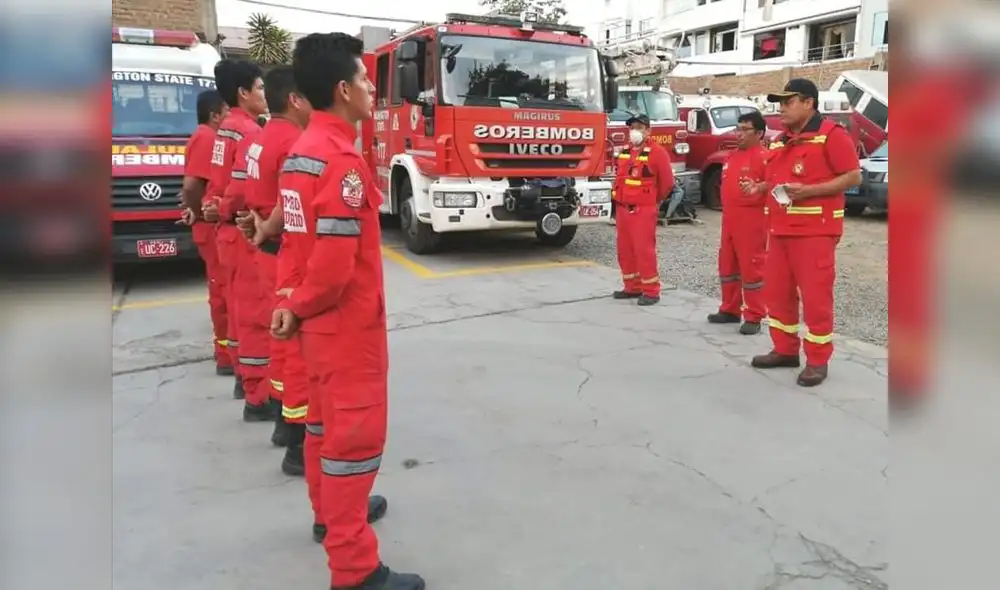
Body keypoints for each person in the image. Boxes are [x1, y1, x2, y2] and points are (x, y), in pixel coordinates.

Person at [269, 33, 421, 590]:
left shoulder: (299, 154)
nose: (369, 92)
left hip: (314, 329)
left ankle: (329, 516)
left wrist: (289, 304)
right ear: (342, 89)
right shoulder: (342, 162)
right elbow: (332, 269)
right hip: (345, 329)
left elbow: (292, 245)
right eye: (363, 81)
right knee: (353, 445)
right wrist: (304, 302)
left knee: (321, 428)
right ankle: (355, 569)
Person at [750, 79, 861, 387]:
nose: (781, 108)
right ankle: (785, 350)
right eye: (780, 103)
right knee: (777, 294)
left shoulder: (830, 137)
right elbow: (776, 180)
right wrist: (762, 187)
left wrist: (809, 191)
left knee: (815, 299)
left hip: (814, 233)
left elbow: (853, 177)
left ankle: (817, 360)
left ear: (809, 103)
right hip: (781, 230)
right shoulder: (780, 140)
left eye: (788, 102)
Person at [239, 64, 313, 474]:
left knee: (283, 342)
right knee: (298, 348)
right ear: (295, 99)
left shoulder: (262, 136)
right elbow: (291, 199)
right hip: (283, 244)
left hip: (269, 248)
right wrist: (266, 225)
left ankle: (285, 426)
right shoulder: (293, 141)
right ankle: (298, 445)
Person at [201, 59, 269, 407]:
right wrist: (226, 208)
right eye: (259, 88)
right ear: (243, 93)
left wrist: (216, 207)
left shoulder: (225, 128)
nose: (264, 94)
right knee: (256, 316)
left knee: (240, 313)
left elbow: (218, 182)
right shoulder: (250, 132)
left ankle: (246, 381)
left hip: (226, 233)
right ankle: (258, 396)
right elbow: (242, 187)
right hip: (241, 230)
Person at [178, 89, 232, 375]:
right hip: (209, 226)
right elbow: (191, 185)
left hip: (207, 223)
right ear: (215, 116)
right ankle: (225, 355)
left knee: (223, 289)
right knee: (222, 291)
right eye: (227, 113)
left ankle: (227, 351)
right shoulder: (207, 138)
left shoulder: (206, 136)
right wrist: (199, 212)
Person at [707, 111, 769, 335]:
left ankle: (754, 314)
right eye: (738, 129)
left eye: (745, 130)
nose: (739, 134)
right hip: (730, 218)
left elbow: (773, 187)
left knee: (752, 266)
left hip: (752, 219)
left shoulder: (765, 158)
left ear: (759, 133)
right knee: (728, 264)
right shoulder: (731, 157)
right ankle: (730, 308)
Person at [611, 113, 674, 305]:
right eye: (632, 127)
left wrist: (653, 200)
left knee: (644, 250)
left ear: (648, 130)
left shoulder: (657, 152)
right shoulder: (626, 151)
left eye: (639, 127)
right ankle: (632, 287)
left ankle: (651, 291)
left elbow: (667, 183)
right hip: (623, 208)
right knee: (625, 249)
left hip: (643, 209)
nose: (635, 131)